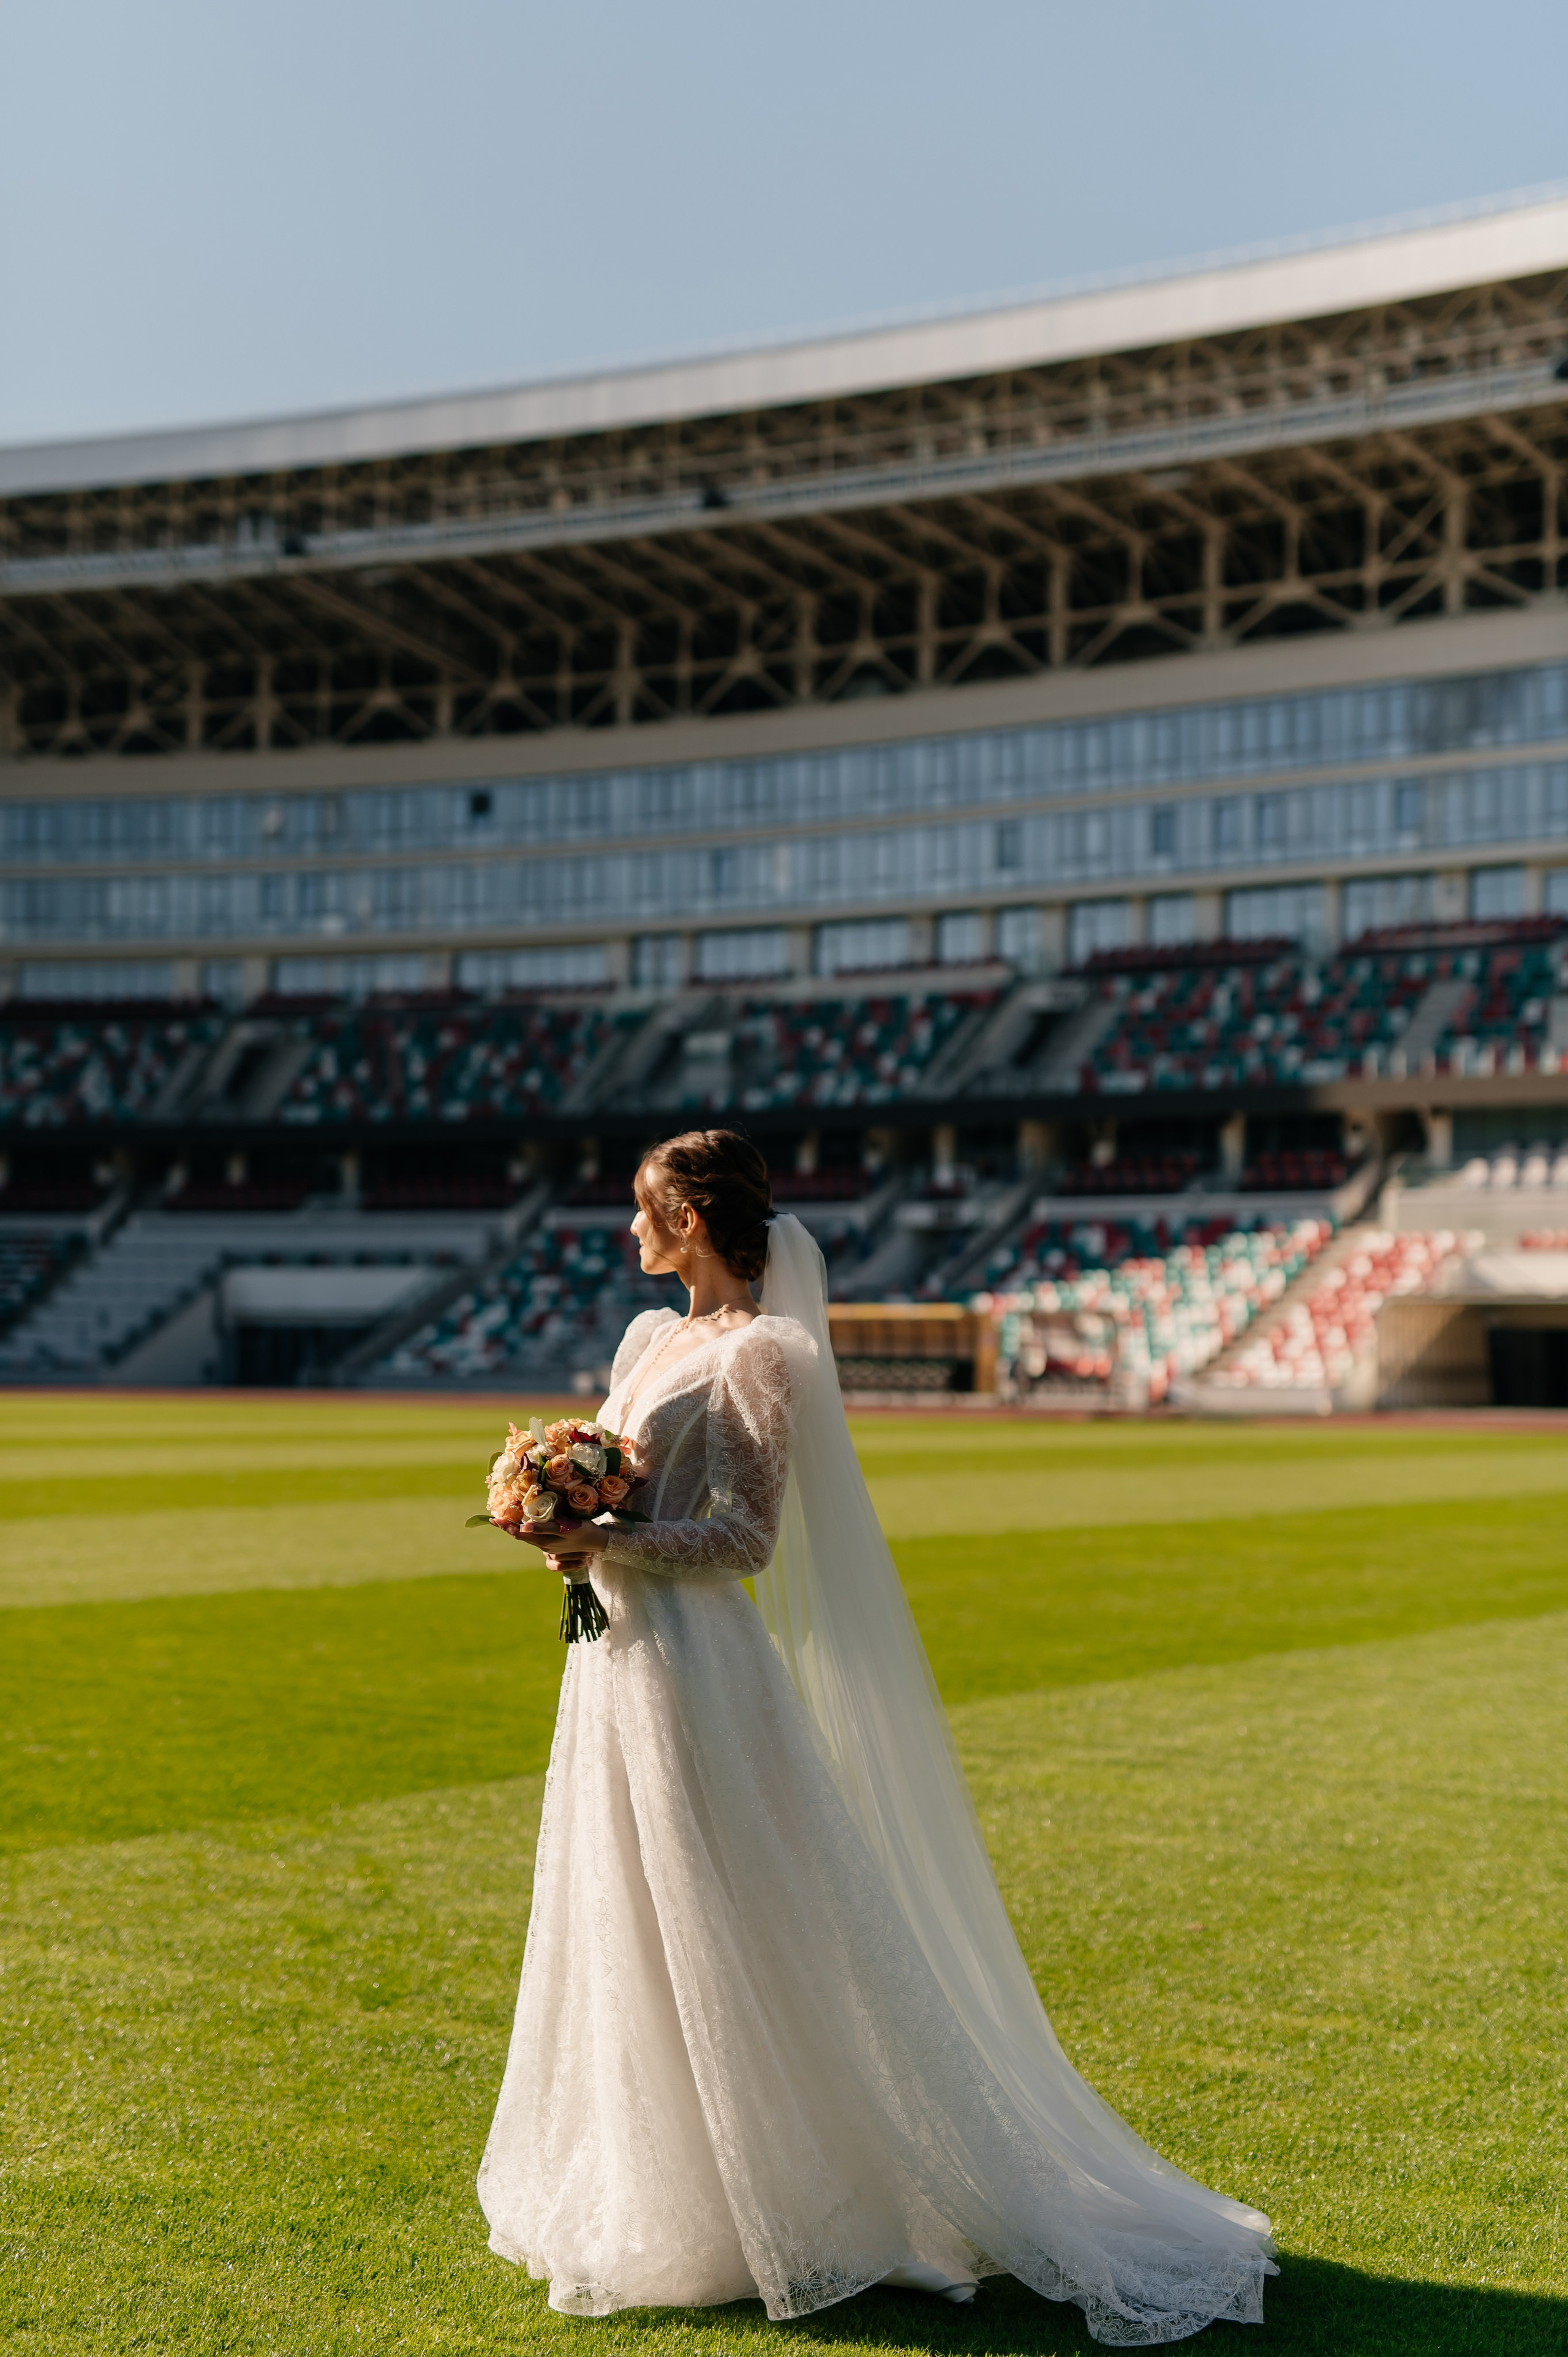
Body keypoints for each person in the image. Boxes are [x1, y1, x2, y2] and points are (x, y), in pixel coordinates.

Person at [478, 1129, 1275, 2342]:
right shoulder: (649, 1340)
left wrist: (605, 1540)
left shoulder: (765, 1354)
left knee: (730, 1911)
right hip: (613, 1661)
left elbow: (744, 1537)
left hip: (696, 1666)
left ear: (691, 1216)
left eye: (643, 1209)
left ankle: (802, 2198)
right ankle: (674, 2188)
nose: (627, 1229)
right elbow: (636, 1491)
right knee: (626, 1908)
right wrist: (567, 1513)